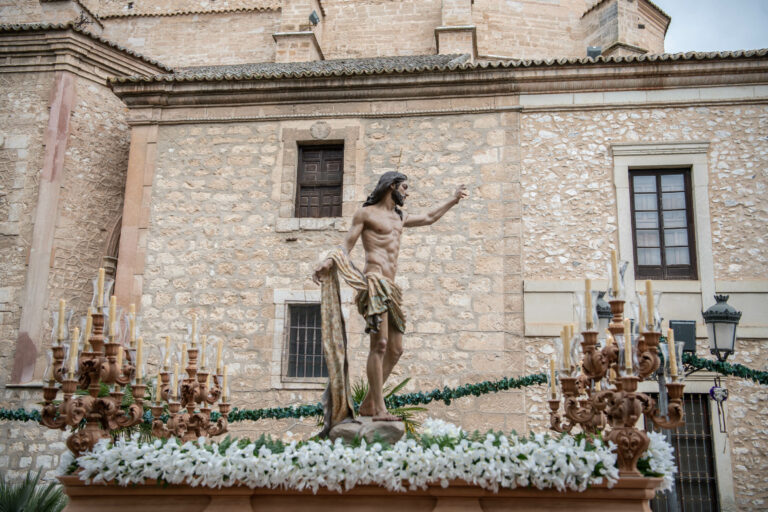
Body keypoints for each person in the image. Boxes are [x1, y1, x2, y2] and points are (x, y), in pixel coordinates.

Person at [313, 171, 468, 423]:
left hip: (392, 289)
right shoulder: (366, 214)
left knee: (396, 350)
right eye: (405, 187)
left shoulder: (399, 217)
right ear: (391, 186)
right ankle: (379, 410)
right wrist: (328, 262)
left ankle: (367, 404)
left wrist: (453, 199)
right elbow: (347, 244)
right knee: (381, 344)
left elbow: (429, 217)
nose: (407, 192)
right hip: (374, 282)